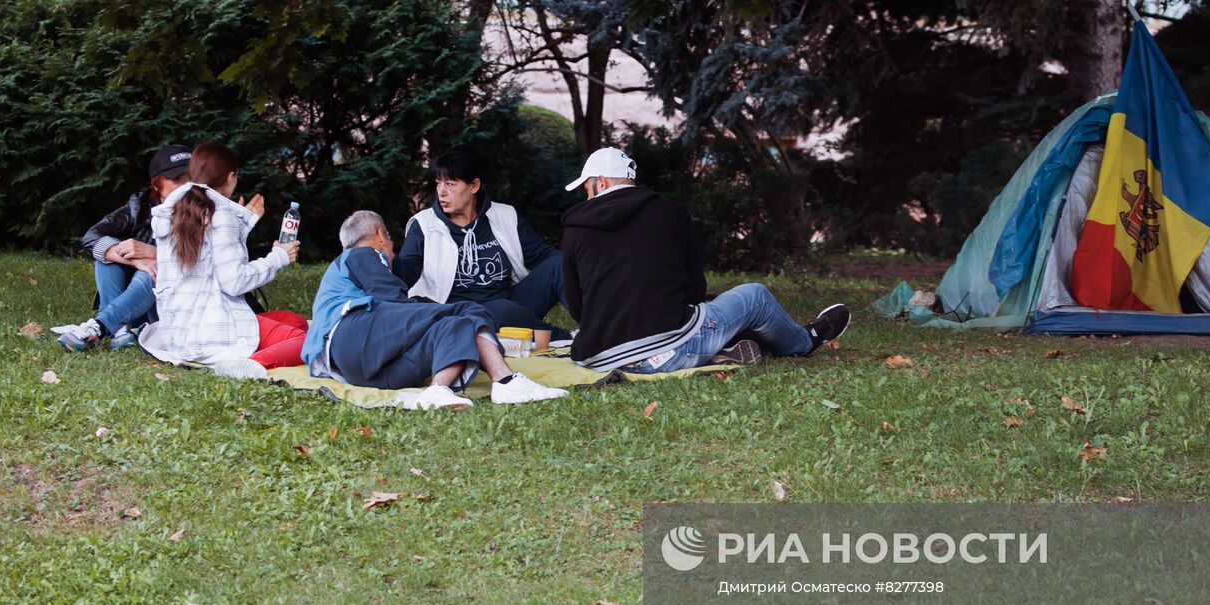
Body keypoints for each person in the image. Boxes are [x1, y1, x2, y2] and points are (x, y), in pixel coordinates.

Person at [560, 147, 851, 372]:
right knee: (755, 295)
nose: (587, 197)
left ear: (600, 182)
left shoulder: (574, 231)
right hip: (666, 353)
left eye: (586, 189)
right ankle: (807, 340)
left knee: (712, 316)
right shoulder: (671, 214)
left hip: (598, 359)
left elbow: (577, 308)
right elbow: (694, 291)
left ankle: (731, 347)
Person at [306, 210, 569, 409]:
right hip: (352, 331)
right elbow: (392, 300)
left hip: (365, 367)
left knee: (457, 325)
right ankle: (506, 381)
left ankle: (438, 390)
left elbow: (397, 316)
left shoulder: (344, 267)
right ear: (381, 235)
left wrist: (433, 314)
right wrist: (430, 309)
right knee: (466, 309)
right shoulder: (361, 255)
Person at [137, 142, 308, 378]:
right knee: (309, 340)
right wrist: (278, 257)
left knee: (296, 322)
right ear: (230, 176)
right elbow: (234, 282)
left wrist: (242, 219)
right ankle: (249, 364)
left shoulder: (176, 208)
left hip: (180, 332)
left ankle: (259, 348)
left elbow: (209, 253)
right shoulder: (219, 213)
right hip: (211, 331)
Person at [393, 146, 572, 341]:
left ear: (474, 185)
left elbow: (541, 254)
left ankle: (597, 332)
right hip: (459, 314)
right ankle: (567, 338)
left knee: (560, 265)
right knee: (501, 310)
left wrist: (582, 263)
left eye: (450, 184)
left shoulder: (505, 215)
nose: (441, 192)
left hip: (510, 302)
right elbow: (406, 272)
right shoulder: (424, 225)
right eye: (438, 184)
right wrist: (387, 262)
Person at [59, 144, 192, 351]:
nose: (186, 185)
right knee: (110, 255)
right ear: (156, 184)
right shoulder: (139, 207)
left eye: (191, 178)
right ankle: (121, 331)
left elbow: (205, 258)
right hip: (135, 305)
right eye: (177, 179)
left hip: (173, 307)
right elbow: (91, 237)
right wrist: (135, 259)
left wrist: (155, 253)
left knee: (153, 271)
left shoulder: (206, 210)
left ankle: (101, 325)